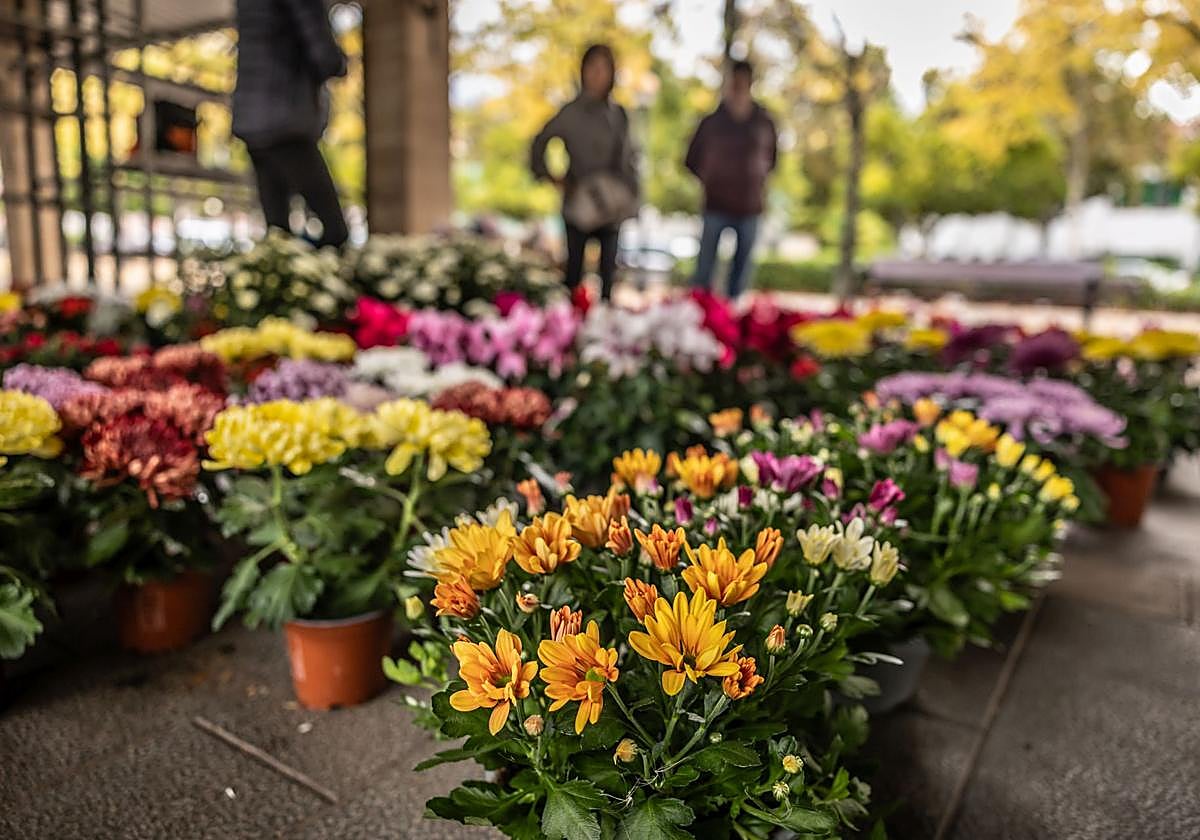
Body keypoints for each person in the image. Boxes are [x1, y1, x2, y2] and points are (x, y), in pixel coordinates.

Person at [232, 0, 350, 249]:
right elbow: (325, 57)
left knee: (278, 238)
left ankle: (289, 282)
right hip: (287, 118)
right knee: (335, 231)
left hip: (252, 121)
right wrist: (340, 63)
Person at [530, 44, 639, 300]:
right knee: (573, 278)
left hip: (611, 204)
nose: (597, 74)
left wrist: (630, 194)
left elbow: (629, 159)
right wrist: (552, 176)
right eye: (593, 67)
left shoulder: (618, 114)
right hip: (578, 202)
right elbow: (539, 142)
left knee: (608, 279)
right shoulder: (570, 113)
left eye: (603, 68)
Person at [685, 59, 778, 298]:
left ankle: (733, 323)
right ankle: (701, 313)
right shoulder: (711, 122)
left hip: (750, 207)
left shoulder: (764, 122)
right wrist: (710, 179)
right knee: (703, 274)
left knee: (740, 278)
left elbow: (773, 160)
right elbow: (691, 159)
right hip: (715, 205)